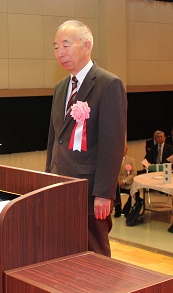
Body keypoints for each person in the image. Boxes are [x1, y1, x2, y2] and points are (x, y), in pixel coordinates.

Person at [45, 20, 127, 257]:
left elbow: (113, 146)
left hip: (90, 191)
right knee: (64, 252)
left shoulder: (108, 84)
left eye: (66, 45)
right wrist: (48, 176)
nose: (60, 53)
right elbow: (54, 139)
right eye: (56, 47)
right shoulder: (61, 87)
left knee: (94, 254)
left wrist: (103, 193)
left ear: (87, 45)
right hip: (60, 187)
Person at [114, 146, 136, 218]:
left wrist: (124, 181)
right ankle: (118, 210)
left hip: (127, 183)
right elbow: (111, 173)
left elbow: (133, 174)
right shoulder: (113, 160)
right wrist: (119, 183)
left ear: (126, 150)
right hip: (117, 184)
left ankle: (126, 210)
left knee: (136, 192)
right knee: (114, 192)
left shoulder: (131, 160)